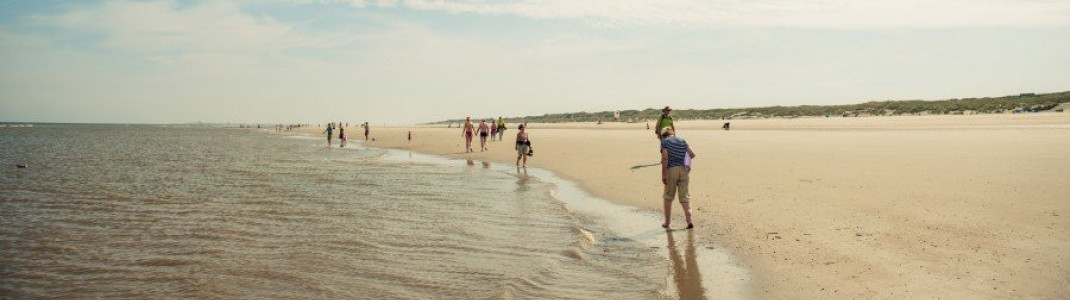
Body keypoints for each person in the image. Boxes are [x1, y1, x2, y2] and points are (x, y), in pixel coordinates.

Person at [660, 127, 696, 229]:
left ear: (663, 136)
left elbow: (665, 158)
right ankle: (689, 221)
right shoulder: (682, 140)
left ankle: (667, 223)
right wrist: (686, 162)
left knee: (668, 197)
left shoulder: (665, 142)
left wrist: (663, 174)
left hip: (672, 170)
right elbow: (692, 154)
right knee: (684, 197)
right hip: (684, 170)